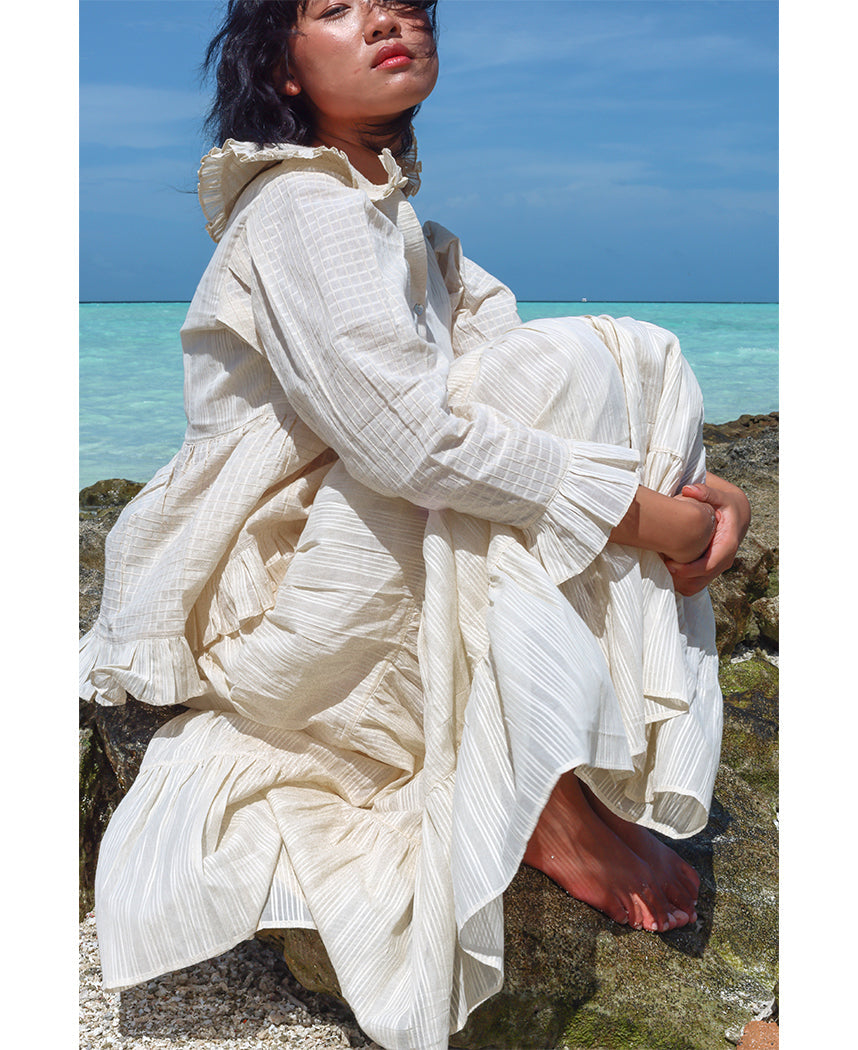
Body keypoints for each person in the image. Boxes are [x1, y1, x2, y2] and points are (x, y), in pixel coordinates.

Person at [79, 3, 751, 1048]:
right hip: (290, 609)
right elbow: (411, 445)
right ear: (285, 71)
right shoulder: (300, 207)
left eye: (397, 0)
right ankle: (539, 796)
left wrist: (708, 488)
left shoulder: (400, 226)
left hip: (360, 558)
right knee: (580, 369)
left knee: (603, 360)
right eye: (334, 9)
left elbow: (520, 392)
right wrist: (649, 516)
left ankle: (540, 757)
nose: (385, 17)